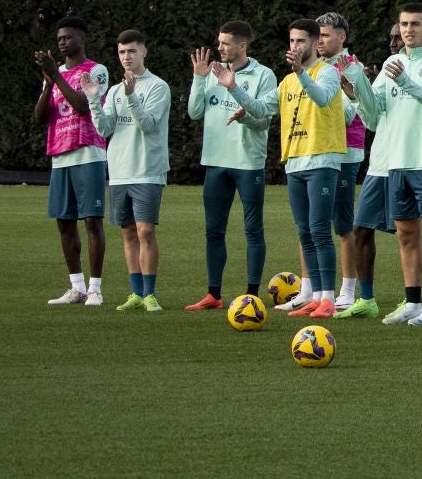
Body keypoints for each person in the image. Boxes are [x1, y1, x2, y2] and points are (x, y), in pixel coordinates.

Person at [370, 3, 422, 327]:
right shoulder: (392, 62)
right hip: (397, 161)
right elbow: (375, 106)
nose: (408, 30)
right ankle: (411, 301)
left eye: (415, 24)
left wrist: (406, 81)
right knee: (405, 234)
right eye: (404, 24)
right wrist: (355, 91)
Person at [183, 21, 277, 310]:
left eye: (225, 43)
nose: (219, 47)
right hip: (215, 162)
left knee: (253, 230)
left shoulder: (264, 75)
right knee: (213, 230)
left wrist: (243, 117)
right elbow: (194, 112)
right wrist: (199, 78)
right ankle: (214, 294)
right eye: (219, 41)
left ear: (242, 45)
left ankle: (252, 295)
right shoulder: (210, 73)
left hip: (247, 163)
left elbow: (264, 119)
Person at [86, 30, 171, 310]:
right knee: (128, 233)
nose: (126, 57)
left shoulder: (158, 87)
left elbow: (148, 125)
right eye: (122, 52)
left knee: (146, 231)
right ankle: (135, 293)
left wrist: (132, 95)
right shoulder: (112, 91)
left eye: (132, 51)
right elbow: (104, 129)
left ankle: (150, 294)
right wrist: (92, 100)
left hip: (147, 170)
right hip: (120, 171)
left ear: (144, 52)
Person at [35, 16, 109, 306]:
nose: (61, 41)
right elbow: (40, 118)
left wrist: (57, 76)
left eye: (67, 37)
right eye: (59, 38)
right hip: (60, 156)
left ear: (82, 39)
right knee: (65, 223)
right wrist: (49, 80)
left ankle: (95, 289)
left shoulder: (96, 70)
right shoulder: (53, 74)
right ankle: (76, 287)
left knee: (92, 221)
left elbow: (82, 107)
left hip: (88, 152)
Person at [278, 18, 346, 319]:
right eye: (292, 41)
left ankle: (328, 299)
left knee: (319, 230)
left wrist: (301, 73)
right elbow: (264, 106)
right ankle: (316, 297)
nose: (295, 47)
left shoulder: (328, 72)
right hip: (294, 161)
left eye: (301, 41)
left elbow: (321, 98)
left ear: (315, 43)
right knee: (304, 232)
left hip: (322, 160)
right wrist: (236, 94)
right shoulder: (288, 80)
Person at [336, 23, 402, 320]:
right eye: (390, 37)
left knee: (407, 233)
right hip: (379, 164)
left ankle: (410, 298)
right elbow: (372, 117)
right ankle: (367, 299)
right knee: (361, 228)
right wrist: (355, 92)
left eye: (398, 37)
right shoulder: (388, 66)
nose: (393, 42)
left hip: (406, 162)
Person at [315, 12, 372, 311]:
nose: (319, 40)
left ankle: (348, 289)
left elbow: (353, 113)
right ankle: (309, 289)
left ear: (342, 37)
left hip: (346, 150)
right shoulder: (314, 67)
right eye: (318, 34)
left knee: (342, 222)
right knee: (312, 222)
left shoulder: (352, 68)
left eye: (325, 34)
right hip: (317, 149)